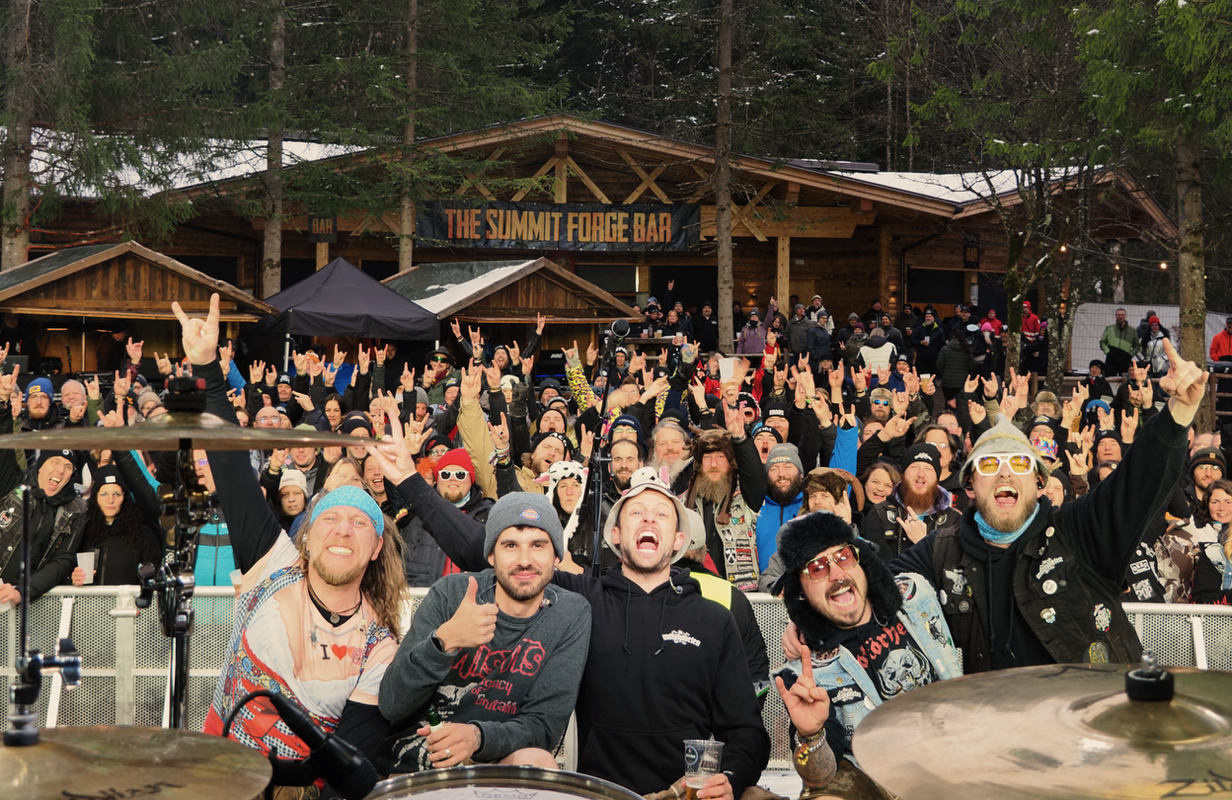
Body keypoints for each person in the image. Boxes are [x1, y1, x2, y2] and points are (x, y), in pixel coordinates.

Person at [367, 428, 770, 800]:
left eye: (662, 514)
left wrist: (732, 778)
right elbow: (495, 551)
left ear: (679, 539)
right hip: (600, 791)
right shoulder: (581, 599)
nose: (649, 518)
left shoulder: (714, 617)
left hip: (688, 793)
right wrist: (410, 482)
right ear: (615, 535)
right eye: (636, 512)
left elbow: (748, 731)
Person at [178, 295, 409, 797]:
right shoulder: (275, 562)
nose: (343, 530)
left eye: (359, 522)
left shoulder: (381, 647)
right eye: (330, 517)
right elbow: (232, 469)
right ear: (307, 533)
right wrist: (205, 370)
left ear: (376, 548)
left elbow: (346, 767)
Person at [889, 338, 1205, 672]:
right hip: (989, 720)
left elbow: (1136, 483)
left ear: (1039, 483)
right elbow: (870, 592)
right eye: (989, 465)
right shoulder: (939, 554)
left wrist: (1178, 412)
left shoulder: (1078, 532)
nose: (1005, 474)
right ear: (969, 485)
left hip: (1088, 714)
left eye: (1020, 465)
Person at [377, 493, 591, 774]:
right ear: (491, 554)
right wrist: (444, 642)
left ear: (556, 556)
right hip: (423, 760)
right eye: (510, 545)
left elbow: (543, 727)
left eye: (538, 545)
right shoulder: (451, 594)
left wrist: (477, 737)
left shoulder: (570, 613)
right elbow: (392, 705)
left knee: (540, 762)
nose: (524, 560)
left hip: (499, 760)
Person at [773, 512, 960, 794]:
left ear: (862, 561)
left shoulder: (915, 594)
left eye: (844, 556)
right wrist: (810, 736)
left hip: (957, 759)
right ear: (800, 590)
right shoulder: (804, 675)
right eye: (817, 568)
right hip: (878, 784)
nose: (837, 575)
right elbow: (817, 779)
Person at [0, 369, 88, 604]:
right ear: (40, 466)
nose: (61, 470)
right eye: (55, 462)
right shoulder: (13, 486)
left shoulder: (76, 511)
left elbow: (63, 562)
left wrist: (22, 591)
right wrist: (1, 404)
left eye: (68, 467)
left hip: (25, 606)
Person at [1100, 308, 1140, 375]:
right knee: (1109, 379)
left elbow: (1137, 345)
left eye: (1122, 315)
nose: (1120, 316)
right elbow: (1102, 342)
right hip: (1111, 359)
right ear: (1116, 316)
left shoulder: (1132, 330)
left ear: (1125, 316)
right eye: (1119, 315)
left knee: (1125, 380)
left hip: (1125, 360)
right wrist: (1108, 352)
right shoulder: (1109, 328)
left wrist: (1130, 355)